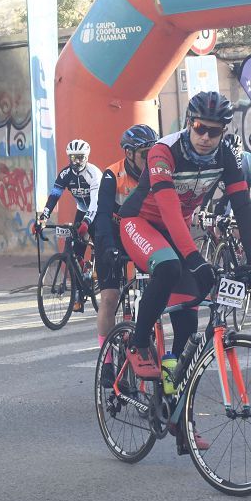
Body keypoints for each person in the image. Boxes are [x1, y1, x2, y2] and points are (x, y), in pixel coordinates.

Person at [117, 91, 251, 451]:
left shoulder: (227, 158)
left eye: (214, 132)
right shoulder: (163, 151)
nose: (205, 137)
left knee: (187, 322)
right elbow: (167, 209)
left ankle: (176, 414)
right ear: (188, 123)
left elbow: (244, 209)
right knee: (168, 266)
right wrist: (195, 260)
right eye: (200, 128)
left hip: (176, 232)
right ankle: (136, 343)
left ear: (223, 132)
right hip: (141, 222)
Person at [93, 124, 156, 352]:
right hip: (111, 235)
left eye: (153, 153)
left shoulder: (155, 174)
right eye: (144, 155)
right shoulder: (112, 174)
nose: (150, 160)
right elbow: (101, 215)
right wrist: (108, 246)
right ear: (128, 153)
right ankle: (107, 359)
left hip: (139, 235)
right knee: (110, 298)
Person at [35, 139, 101, 310]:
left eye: (80, 158)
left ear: (86, 157)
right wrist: (43, 218)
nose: (76, 162)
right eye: (73, 158)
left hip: (98, 212)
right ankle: (79, 293)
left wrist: (87, 222)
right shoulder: (66, 174)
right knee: (74, 252)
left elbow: (95, 203)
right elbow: (54, 196)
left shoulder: (94, 173)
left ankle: (98, 271)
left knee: (102, 247)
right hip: (81, 210)